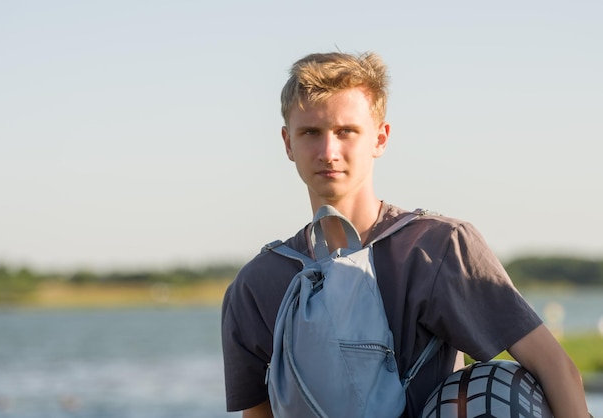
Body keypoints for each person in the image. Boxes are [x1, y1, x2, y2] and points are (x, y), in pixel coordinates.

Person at [221, 51, 590, 418]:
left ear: (380, 138)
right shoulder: (255, 285)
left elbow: (553, 367)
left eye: (346, 131)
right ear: (288, 143)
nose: (328, 151)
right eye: (311, 133)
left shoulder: (438, 250)